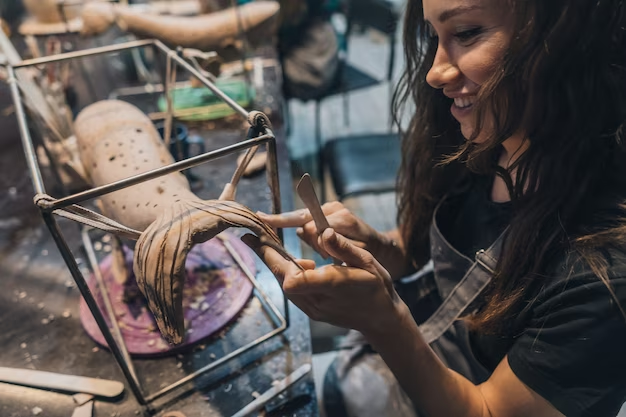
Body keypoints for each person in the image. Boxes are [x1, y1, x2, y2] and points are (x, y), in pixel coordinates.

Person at [242, 0, 626, 416]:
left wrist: (384, 322)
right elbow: (415, 251)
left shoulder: (607, 270)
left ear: (568, 37)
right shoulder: (479, 142)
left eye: (466, 33)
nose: (435, 72)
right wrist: (378, 245)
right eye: (433, 37)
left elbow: (486, 409)